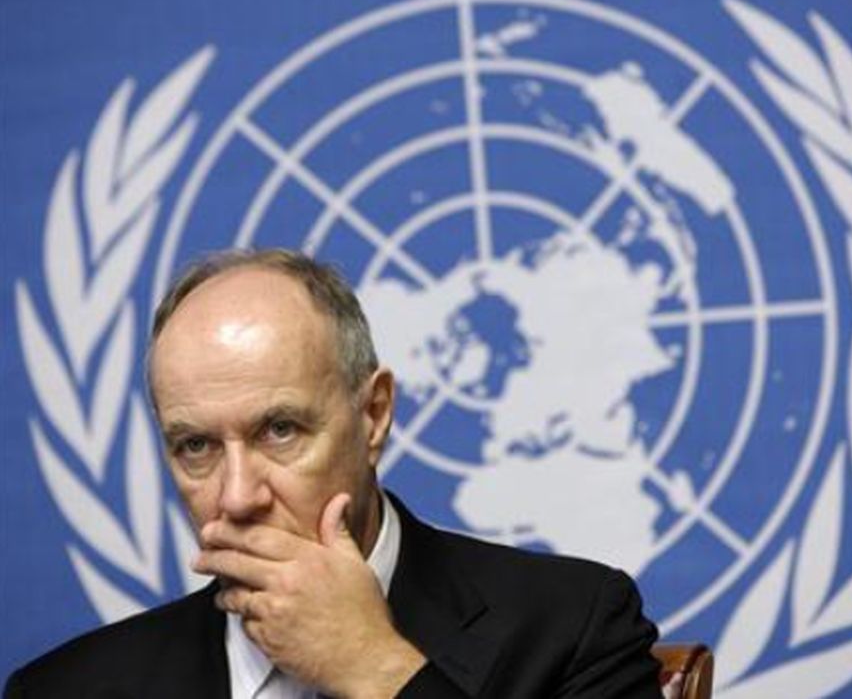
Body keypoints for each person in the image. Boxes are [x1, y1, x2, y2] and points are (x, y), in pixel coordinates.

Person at [5, 249, 663, 698]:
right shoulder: (67, 689)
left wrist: (374, 666)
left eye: (280, 431)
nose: (236, 498)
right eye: (197, 447)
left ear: (372, 415)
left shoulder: (572, 628)